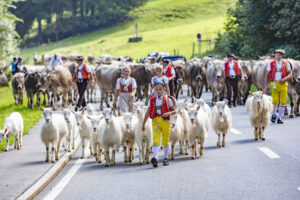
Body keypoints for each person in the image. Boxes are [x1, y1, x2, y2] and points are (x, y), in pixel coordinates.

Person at [142, 80, 176, 167]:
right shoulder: (152, 100)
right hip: (156, 121)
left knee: (165, 140)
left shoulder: (168, 100)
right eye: (156, 90)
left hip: (165, 121)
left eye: (160, 89)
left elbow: (174, 111)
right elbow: (147, 112)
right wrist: (143, 123)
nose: (158, 91)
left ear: (164, 89)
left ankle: (165, 158)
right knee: (156, 139)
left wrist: (167, 113)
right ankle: (155, 158)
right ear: (154, 90)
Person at [265, 49, 292, 124]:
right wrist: (266, 85)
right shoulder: (270, 64)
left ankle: (279, 117)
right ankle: (273, 114)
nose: (278, 56)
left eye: (279, 55)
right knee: (274, 100)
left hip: (283, 84)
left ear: (282, 56)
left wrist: (285, 78)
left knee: (283, 101)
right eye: (276, 55)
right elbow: (267, 75)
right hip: (274, 83)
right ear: (274, 55)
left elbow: (290, 73)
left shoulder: (286, 63)